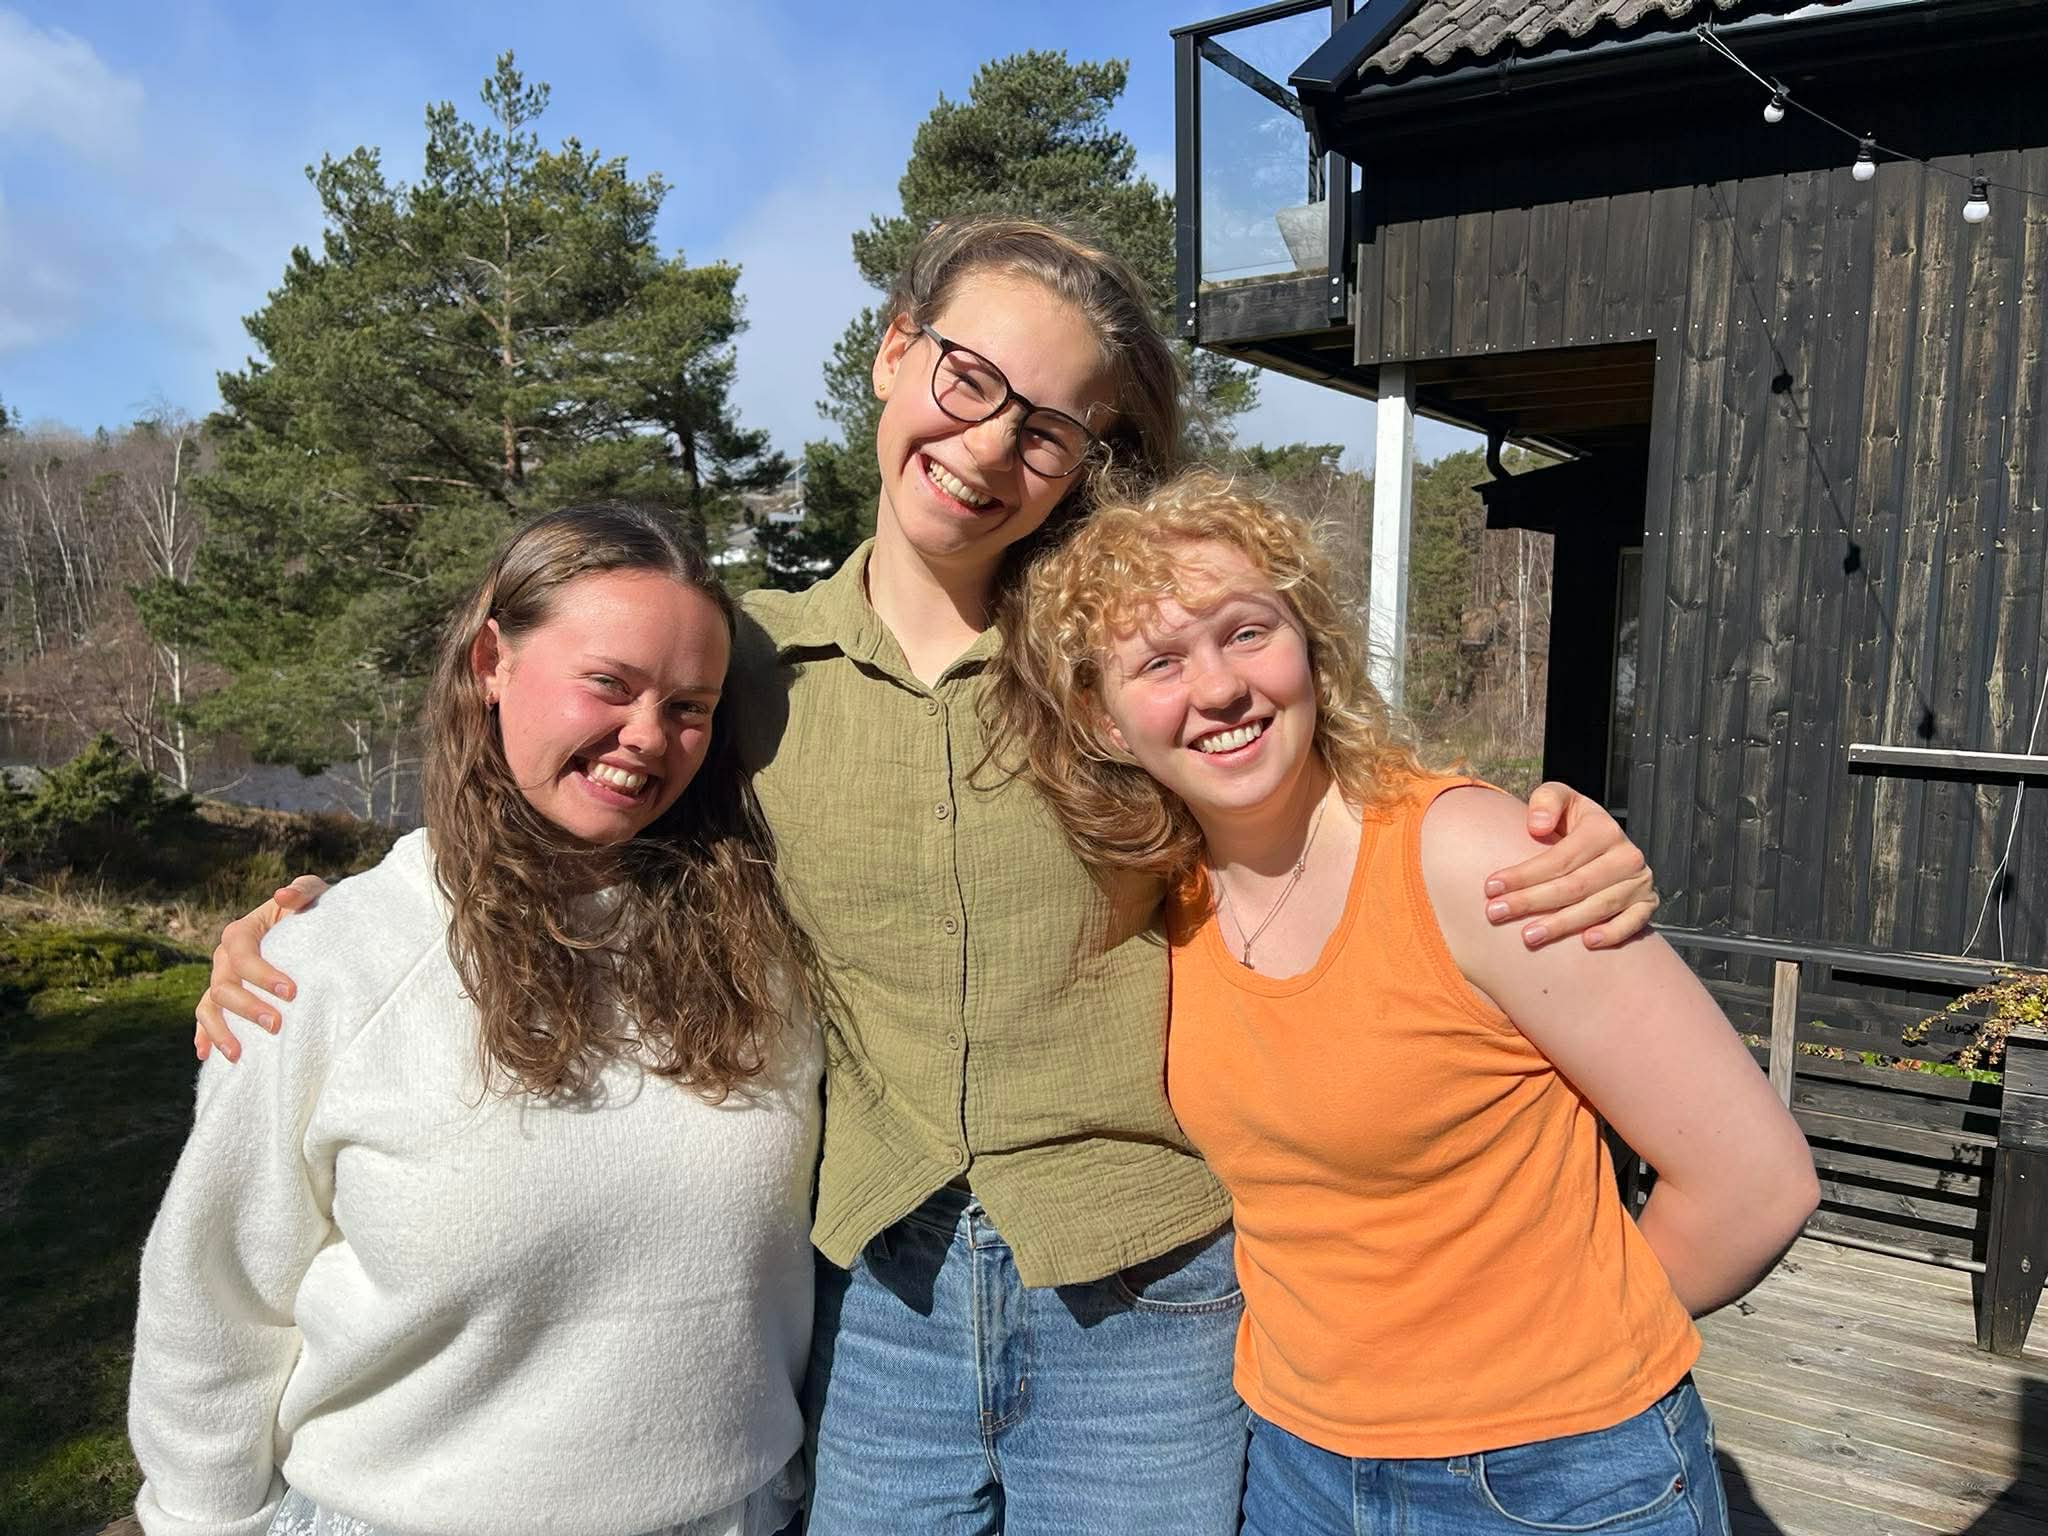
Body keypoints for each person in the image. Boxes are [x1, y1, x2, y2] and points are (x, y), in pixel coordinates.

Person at [190, 217, 1663, 1535]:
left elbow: (1316, 792)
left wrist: (1529, 828)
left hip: (1143, 1294)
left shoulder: (1118, 665)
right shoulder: (744, 663)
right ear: (895, 354)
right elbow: (572, 793)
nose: (990, 446)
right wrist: (321, 933)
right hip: (875, 1295)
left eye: (1051, 429)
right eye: (969, 379)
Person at [991, 469, 1821, 1536]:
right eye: (1158, 662)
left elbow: (1756, 1183)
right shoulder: (1165, 898)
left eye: (1246, 633)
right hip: (1295, 1470)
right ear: (1104, 723)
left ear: (1310, 648)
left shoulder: (1465, 856)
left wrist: (1568, 1366)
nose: (1218, 688)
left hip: (1553, 1479)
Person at [132, 506, 821, 1536]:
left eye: (689, 706)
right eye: (609, 683)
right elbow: (214, 1298)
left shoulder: (764, 951)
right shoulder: (329, 967)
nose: (648, 736)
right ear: (493, 662)